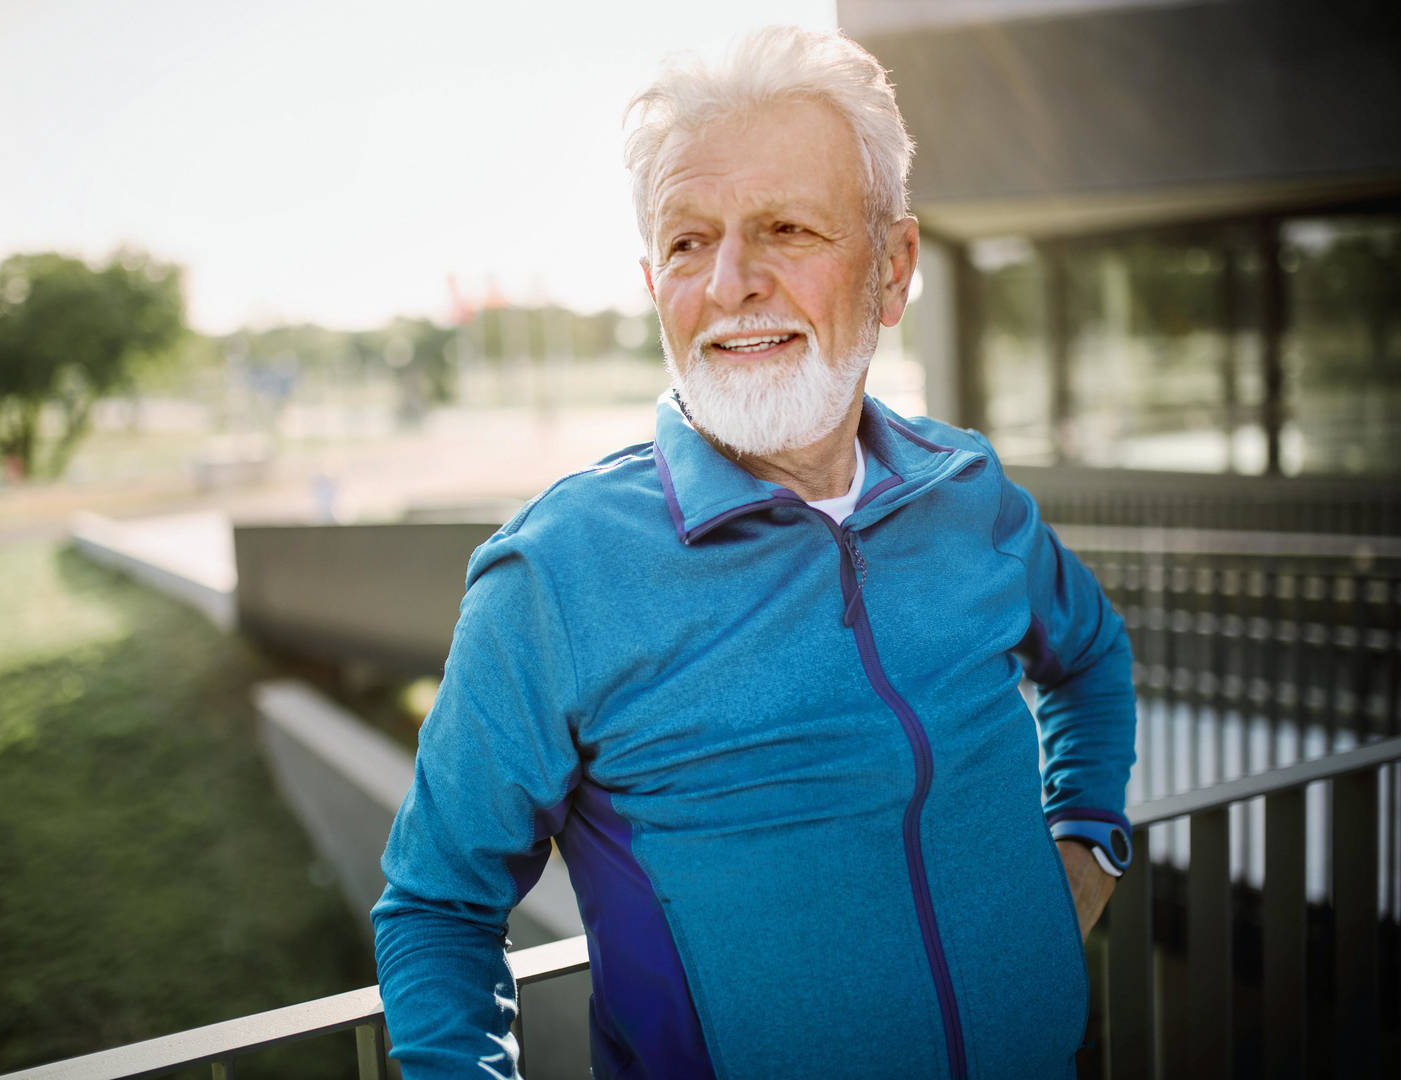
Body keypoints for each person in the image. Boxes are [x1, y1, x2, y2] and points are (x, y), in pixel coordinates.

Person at [372, 26, 1136, 1079]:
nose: (732, 281)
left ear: (892, 268)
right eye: (689, 241)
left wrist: (1088, 835)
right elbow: (437, 908)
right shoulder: (553, 573)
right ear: (654, 282)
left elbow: (1090, 657)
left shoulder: (970, 493)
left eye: (785, 228)